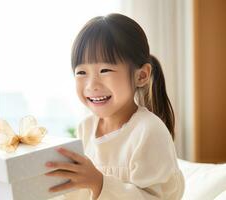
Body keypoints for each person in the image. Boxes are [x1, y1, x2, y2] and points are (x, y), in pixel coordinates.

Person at [45, 13, 184, 200]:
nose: (91, 84)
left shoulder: (149, 131)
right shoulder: (85, 128)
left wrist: (100, 183)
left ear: (141, 76)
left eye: (105, 70)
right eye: (81, 72)